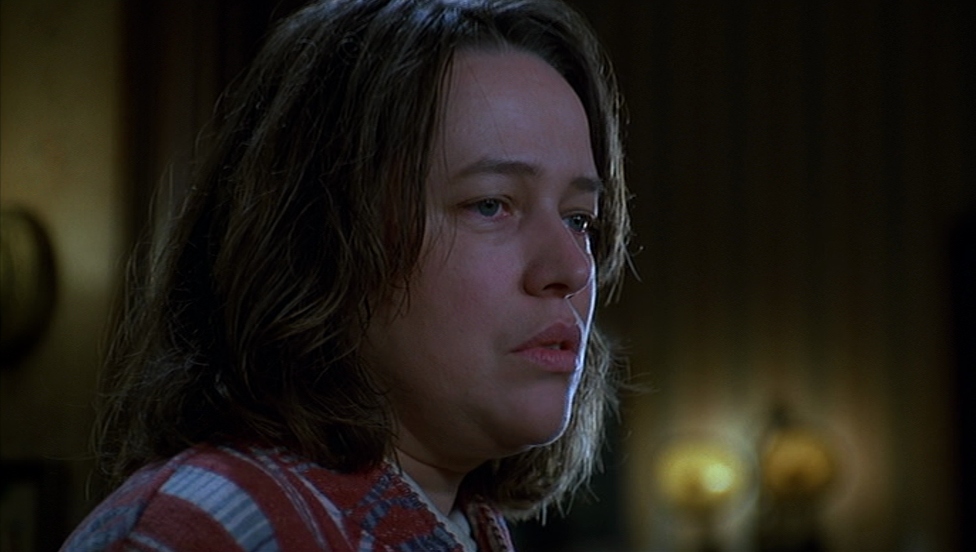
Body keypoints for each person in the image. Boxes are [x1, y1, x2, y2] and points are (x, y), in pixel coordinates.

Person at [62, 0, 629, 549]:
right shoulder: (213, 527)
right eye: (490, 205)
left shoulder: (463, 524)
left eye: (579, 219)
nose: (573, 268)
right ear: (321, 235)